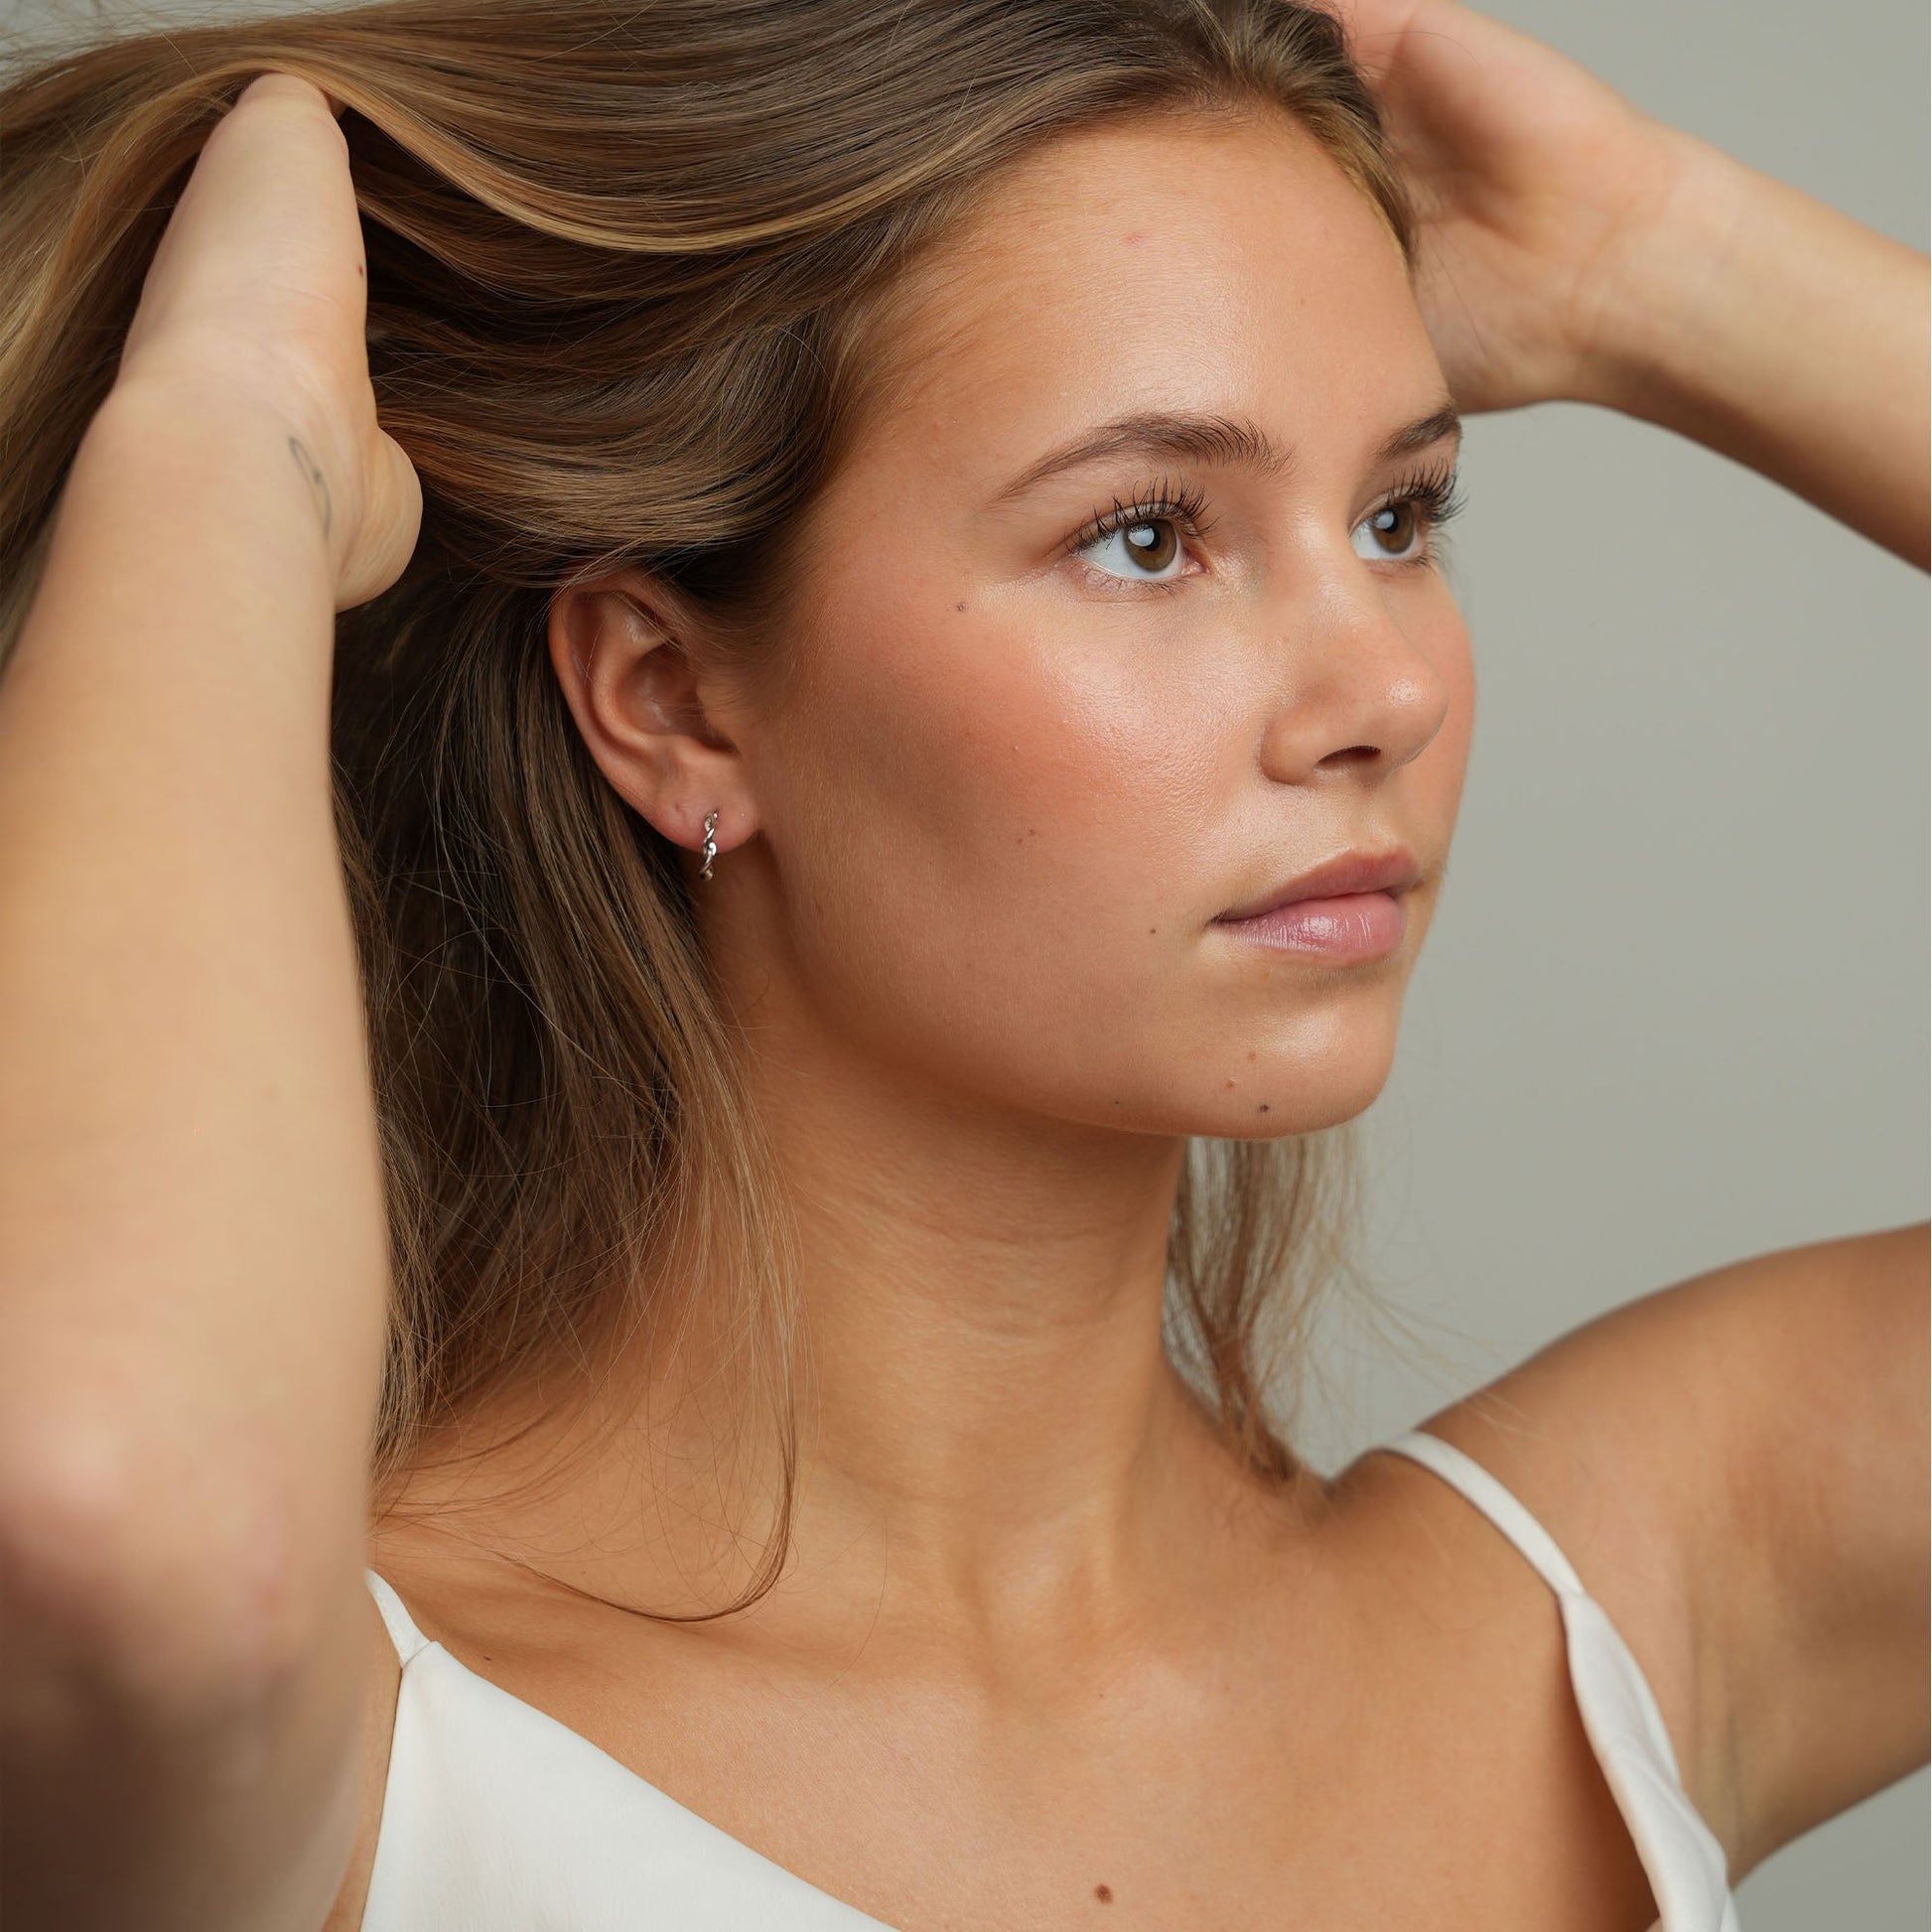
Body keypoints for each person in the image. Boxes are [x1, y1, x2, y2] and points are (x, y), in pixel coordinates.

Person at [0, 0, 1923, 1927]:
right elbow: (133, 1529)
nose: (1388, 691)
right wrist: (220, 444)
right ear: (672, 701)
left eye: (1397, 513)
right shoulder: (324, 1765)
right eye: (1146, 535)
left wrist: (1645, 260)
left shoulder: (1601, 1629)